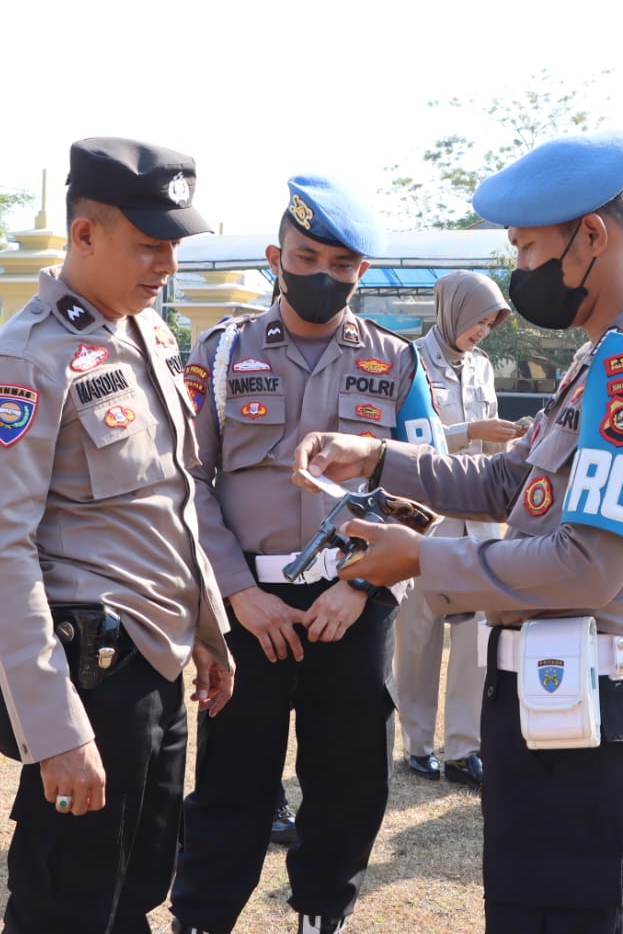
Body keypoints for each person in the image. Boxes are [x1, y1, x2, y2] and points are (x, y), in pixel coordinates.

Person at [294, 130, 623, 934]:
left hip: (586, 712)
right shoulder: (602, 357)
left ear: (592, 236)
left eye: (529, 247)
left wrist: (420, 557)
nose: (521, 269)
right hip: (551, 705)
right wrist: (381, 458)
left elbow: (586, 568)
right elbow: (507, 482)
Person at [0, 137, 235, 934]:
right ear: (84, 235)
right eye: (149, 246)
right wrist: (54, 730)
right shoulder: (22, 360)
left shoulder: (145, 336)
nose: (167, 265)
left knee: (138, 888)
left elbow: (170, 501)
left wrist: (208, 631)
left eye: (175, 245)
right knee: (66, 906)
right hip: (90, 679)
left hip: (157, 664)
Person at [169, 174, 442, 934]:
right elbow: (188, 483)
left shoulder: (398, 364)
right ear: (274, 257)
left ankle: (321, 914)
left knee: (349, 783)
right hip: (251, 612)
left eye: (343, 265)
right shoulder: (221, 354)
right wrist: (234, 595)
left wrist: (359, 588)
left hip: (350, 609)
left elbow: (426, 488)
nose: (324, 275)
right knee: (231, 785)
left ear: (363, 272)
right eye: (308, 256)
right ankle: (201, 920)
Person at [396, 270, 523, 789]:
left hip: (480, 522)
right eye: (477, 322)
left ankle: (465, 748)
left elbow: (488, 445)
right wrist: (469, 431)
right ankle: (418, 744)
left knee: (476, 642)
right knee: (418, 638)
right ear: (452, 311)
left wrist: (511, 443)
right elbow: (404, 439)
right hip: (427, 519)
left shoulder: (482, 368)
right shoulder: (408, 362)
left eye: (489, 325)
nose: (481, 333)